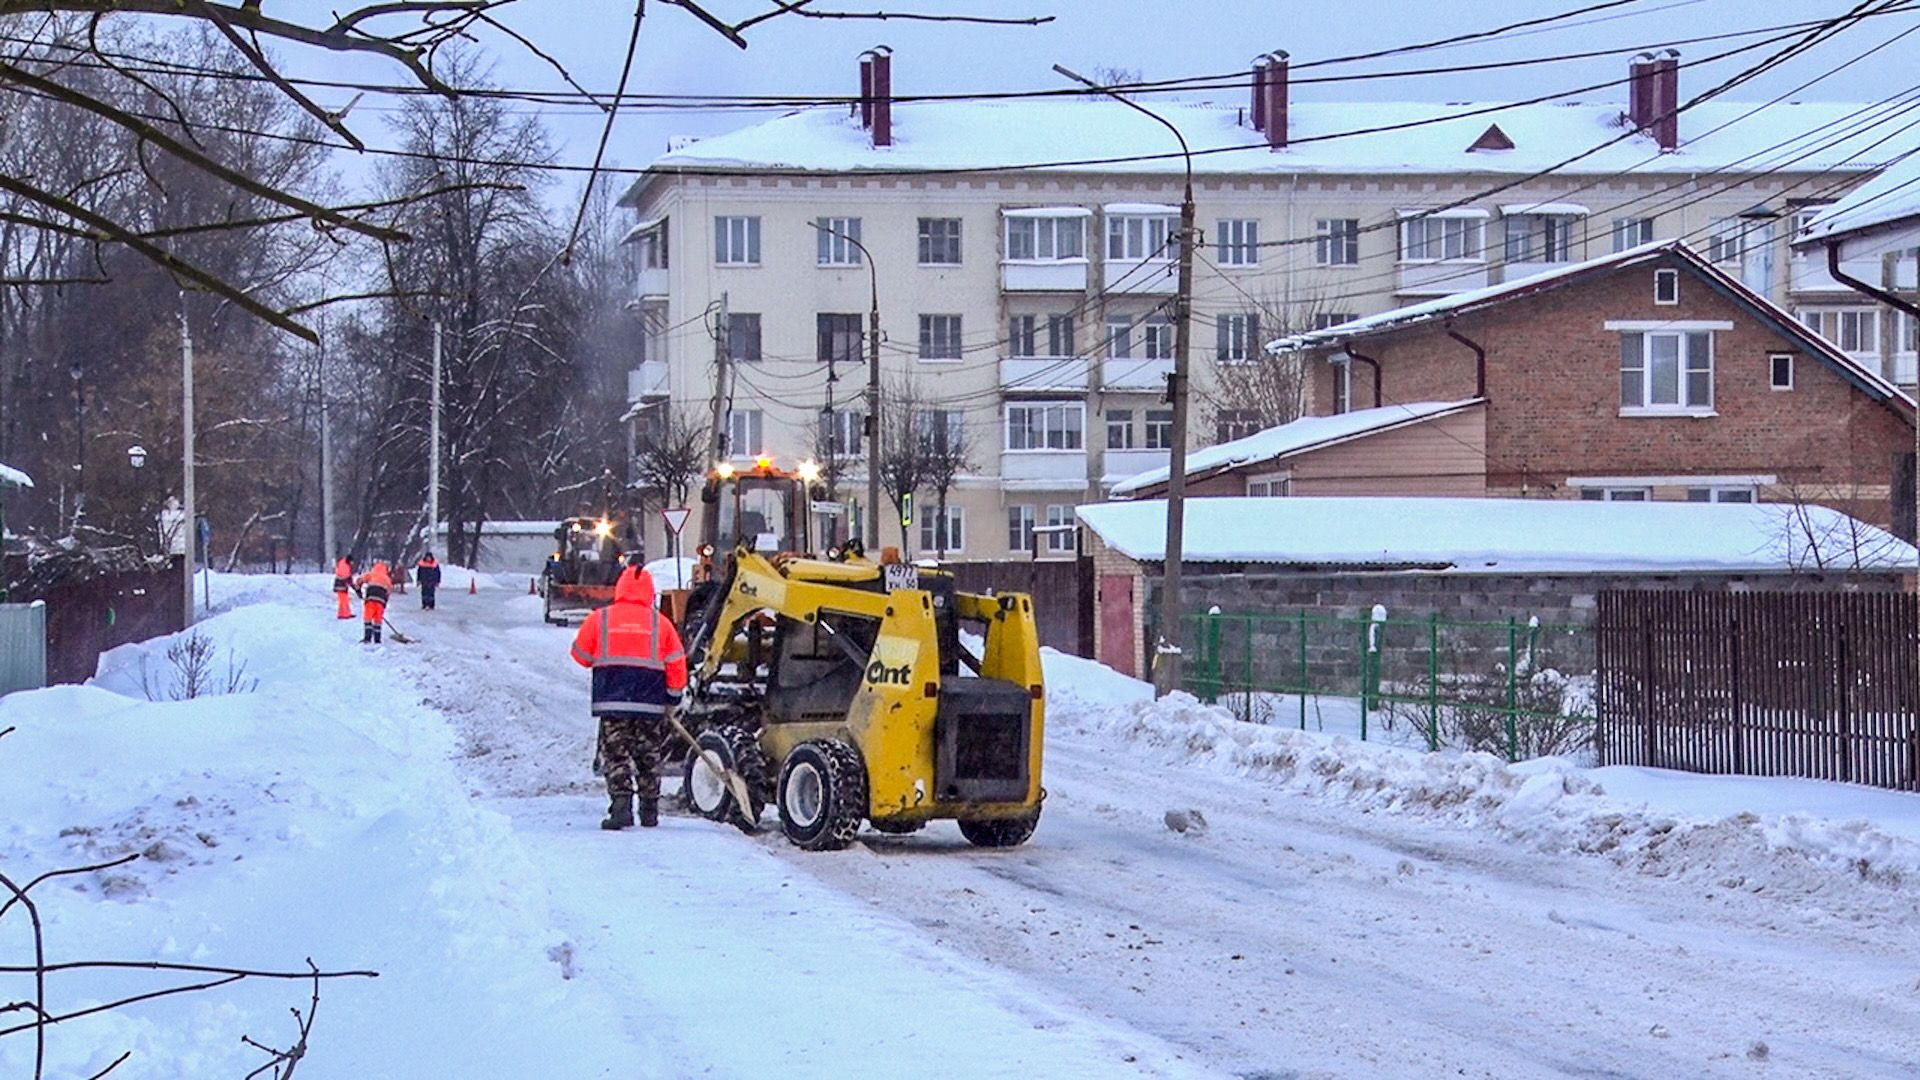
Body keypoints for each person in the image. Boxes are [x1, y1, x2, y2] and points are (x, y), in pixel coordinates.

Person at [569, 566, 687, 830]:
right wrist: (673, 695)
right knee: (648, 755)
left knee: (616, 755)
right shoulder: (661, 624)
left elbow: (580, 656)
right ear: (649, 592)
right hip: (650, 704)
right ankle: (649, 811)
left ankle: (621, 808)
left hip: (612, 702)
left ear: (620, 588)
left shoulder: (600, 619)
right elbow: (677, 664)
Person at [355, 560, 393, 644]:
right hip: (381, 601)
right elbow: (389, 591)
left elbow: (359, 581)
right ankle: (377, 639)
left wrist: (358, 591)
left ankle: (367, 638)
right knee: (378, 619)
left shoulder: (370, 574)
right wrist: (385, 603)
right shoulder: (387, 579)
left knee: (368, 618)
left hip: (370, 600)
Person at [332, 554, 355, 620]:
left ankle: (342, 614)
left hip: (341, 585)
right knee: (344, 600)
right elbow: (346, 577)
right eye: (352, 562)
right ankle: (345, 614)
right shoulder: (345, 566)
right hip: (341, 585)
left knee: (343, 600)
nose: (352, 563)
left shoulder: (343, 563)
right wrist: (353, 585)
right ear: (349, 560)